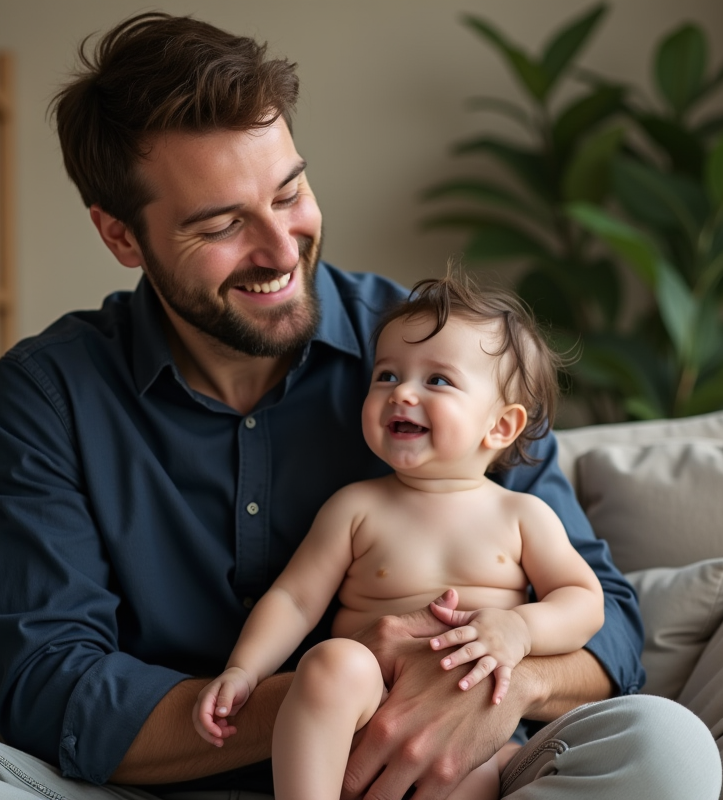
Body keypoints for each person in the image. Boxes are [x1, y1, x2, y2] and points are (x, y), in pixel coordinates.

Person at [0, 11, 721, 800]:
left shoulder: (444, 352)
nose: (280, 248)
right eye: (222, 225)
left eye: (290, 194)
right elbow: (51, 691)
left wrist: (479, 684)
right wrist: (326, 697)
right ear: (120, 236)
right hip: (147, 788)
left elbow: (613, 628)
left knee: (665, 751)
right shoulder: (49, 392)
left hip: (445, 774)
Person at [194, 273, 607, 800]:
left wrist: (521, 630)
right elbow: (295, 599)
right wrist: (243, 671)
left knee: (486, 771)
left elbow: (584, 600)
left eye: (437, 381)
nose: (402, 393)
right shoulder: (356, 507)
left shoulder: (523, 515)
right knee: (329, 664)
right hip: (362, 713)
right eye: (386, 375)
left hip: (464, 727)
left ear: (501, 427)